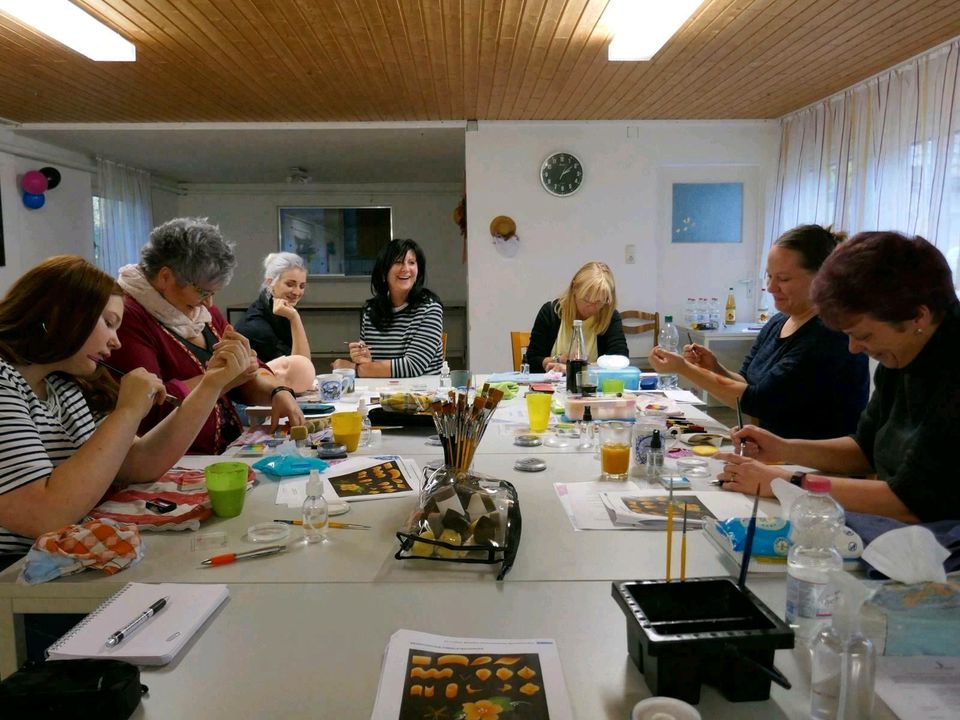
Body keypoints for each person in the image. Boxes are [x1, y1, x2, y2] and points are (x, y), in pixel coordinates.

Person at [0, 256, 248, 566]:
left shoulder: (61, 384)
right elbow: (42, 515)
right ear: (60, 315)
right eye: (108, 323)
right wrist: (128, 412)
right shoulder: (4, 383)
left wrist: (212, 385)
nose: (116, 341)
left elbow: (139, 462)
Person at [718, 231, 960, 523]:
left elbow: (911, 500)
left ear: (918, 317)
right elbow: (864, 448)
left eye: (863, 335)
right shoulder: (903, 352)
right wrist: (783, 448)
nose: (854, 348)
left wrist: (783, 482)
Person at [649, 225, 869, 439]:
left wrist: (683, 368)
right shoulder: (778, 322)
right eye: (769, 276)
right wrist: (715, 368)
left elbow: (758, 401)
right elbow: (748, 382)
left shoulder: (828, 336)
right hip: (776, 455)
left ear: (821, 279)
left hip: (812, 463)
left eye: (783, 279)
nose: (771, 287)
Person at [111, 218, 305, 454]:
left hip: (222, 450)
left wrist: (277, 391)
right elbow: (149, 408)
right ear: (165, 277)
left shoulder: (200, 311)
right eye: (203, 292)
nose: (210, 303)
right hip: (173, 460)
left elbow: (246, 373)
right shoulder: (127, 318)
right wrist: (221, 379)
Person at [333, 238, 443, 377]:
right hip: (382, 394)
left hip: (422, 395)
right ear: (384, 271)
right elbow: (371, 364)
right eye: (398, 262)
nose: (406, 269)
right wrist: (363, 358)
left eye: (411, 263)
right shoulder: (371, 311)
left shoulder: (430, 309)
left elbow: (412, 367)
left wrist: (353, 369)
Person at [525, 261, 628, 373]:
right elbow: (532, 360)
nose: (591, 308)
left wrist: (575, 369)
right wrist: (558, 360)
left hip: (594, 388)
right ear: (574, 288)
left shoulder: (610, 317)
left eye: (599, 302)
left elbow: (620, 360)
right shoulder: (550, 312)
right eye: (586, 300)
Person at [235, 252, 316, 392]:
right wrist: (295, 318)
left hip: (274, 389)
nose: (297, 292)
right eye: (290, 284)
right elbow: (301, 370)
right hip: (251, 398)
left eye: (302, 286)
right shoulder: (255, 326)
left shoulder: (281, 310)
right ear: (270, 282)